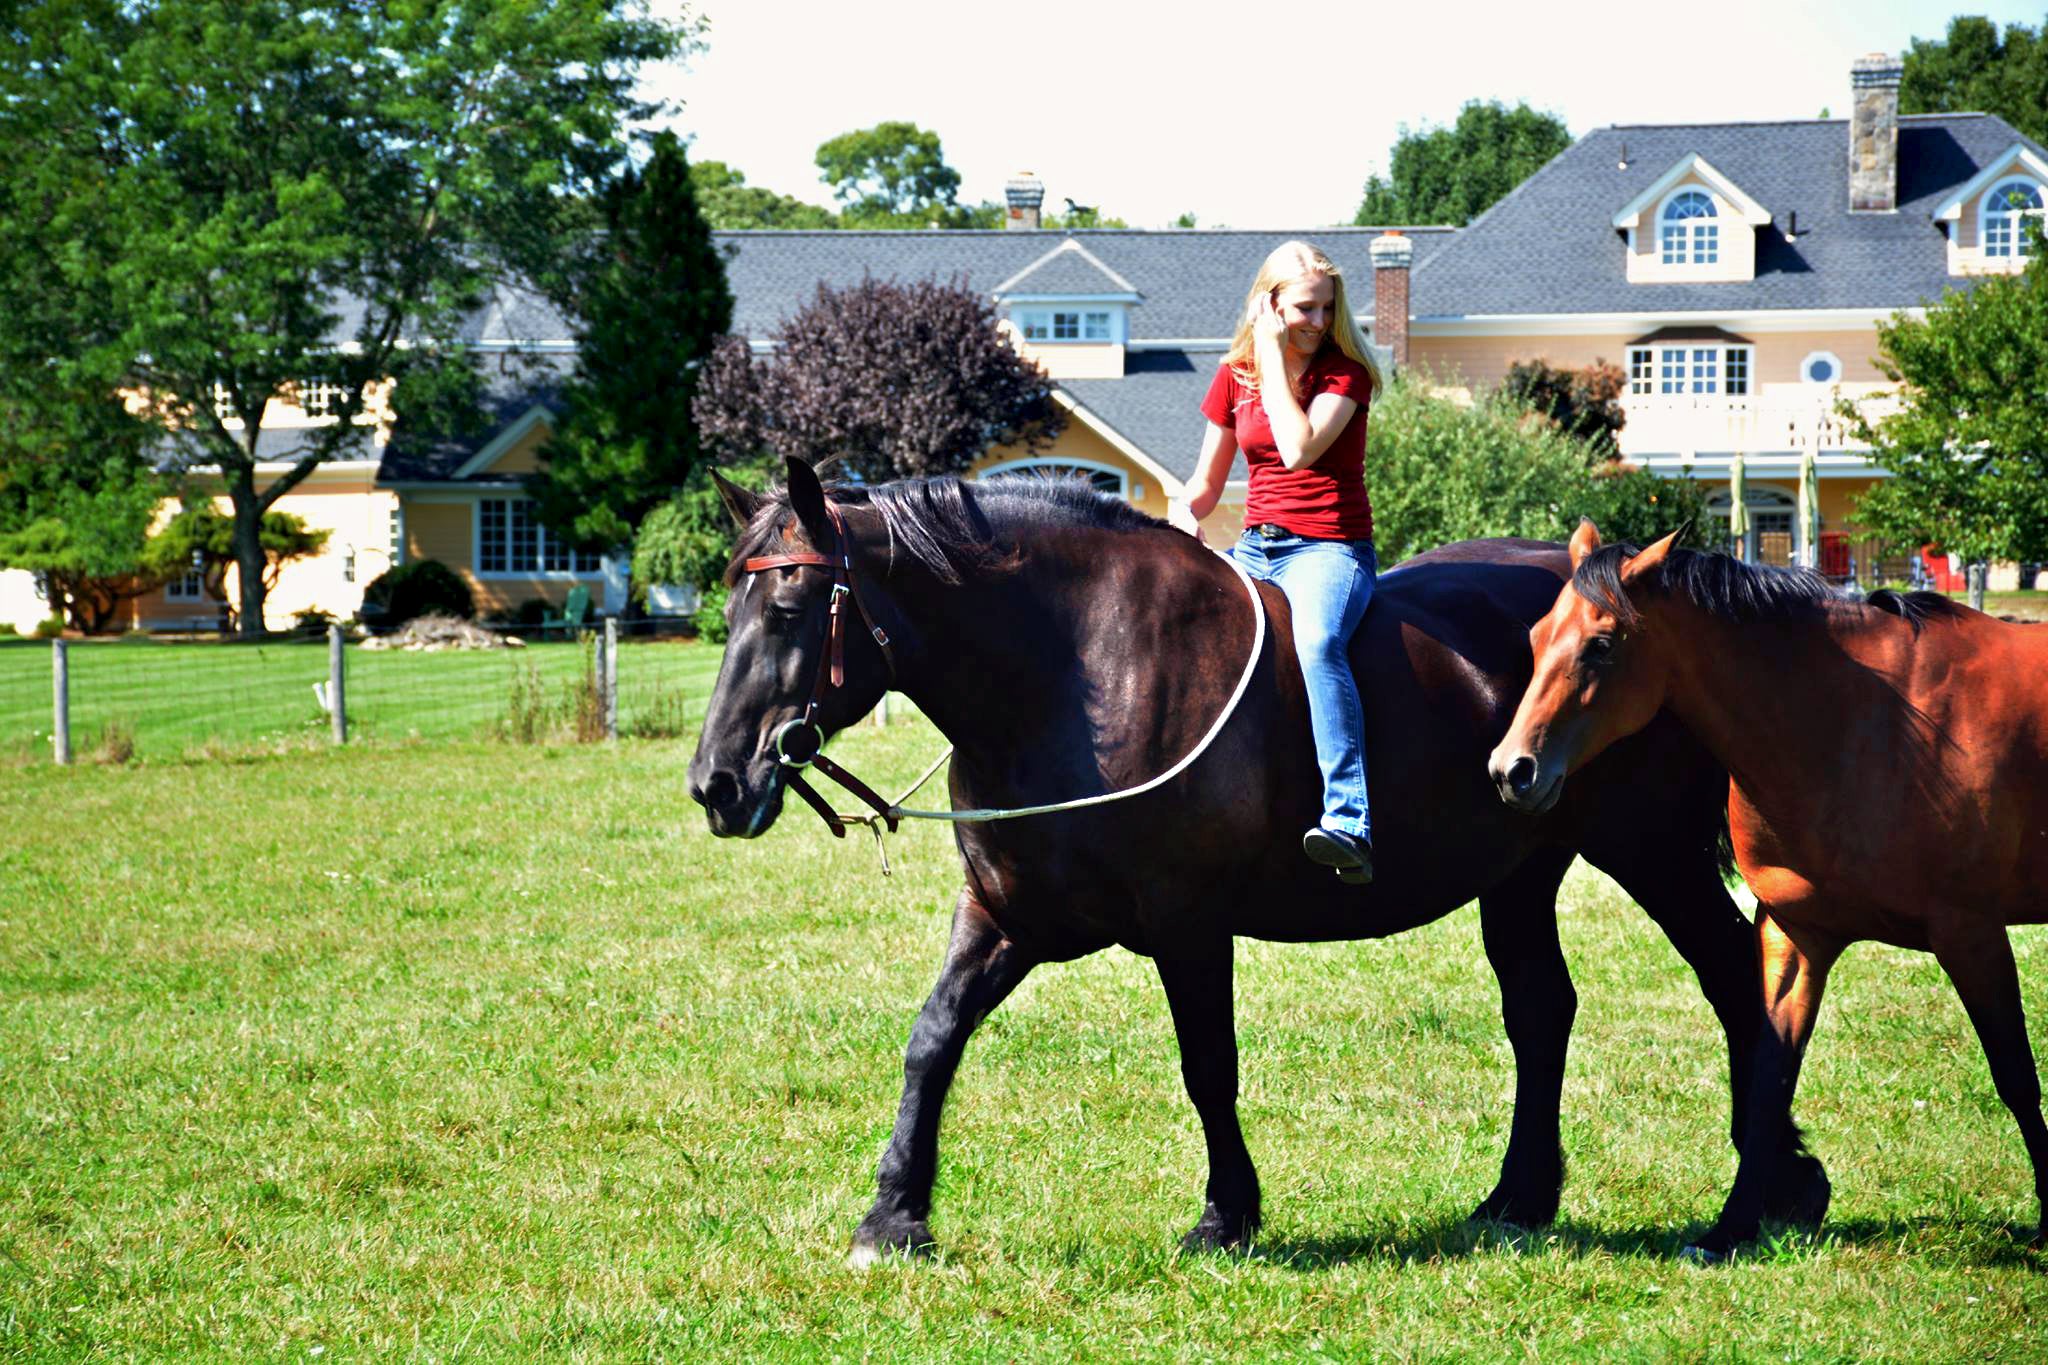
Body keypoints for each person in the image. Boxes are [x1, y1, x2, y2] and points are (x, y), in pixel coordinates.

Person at [1171, 240, 1382, 885]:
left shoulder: (1346, 374)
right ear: (1271, 303)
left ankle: (1350, 821)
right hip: (1255, 546)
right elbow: (1204, 486)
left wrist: (1268, 349)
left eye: (1327, 308)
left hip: (1329, 548)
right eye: (1305, 309)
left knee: (1318, 644)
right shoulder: (1234, 378)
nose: (1319, 322)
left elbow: (1297, 449)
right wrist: (1182, 526)